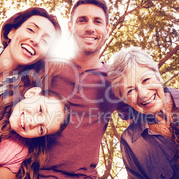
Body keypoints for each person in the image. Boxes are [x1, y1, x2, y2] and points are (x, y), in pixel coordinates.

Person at [38, 0, 129, 177]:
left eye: (97, 21)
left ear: (107, 29)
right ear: (70, 26)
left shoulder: (115, 80)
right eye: (82, 20)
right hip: (31, 173)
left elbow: (146, 113)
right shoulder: (46, 66)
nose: (90, 28)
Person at [108, 47, 179, 178]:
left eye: (146, 80)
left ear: (158, 76)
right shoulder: (131, 143)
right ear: (124, 99)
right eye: (130, 90)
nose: (143, 94)